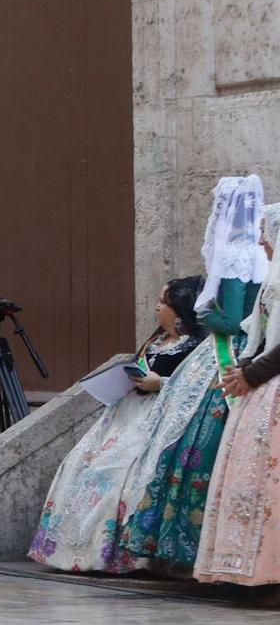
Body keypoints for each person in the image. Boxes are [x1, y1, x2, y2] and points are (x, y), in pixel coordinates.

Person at [29, 277, 206, 572]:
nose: (156, 307)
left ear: (179, 310)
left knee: (120, 473)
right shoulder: (155, 341)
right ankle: (73, 549)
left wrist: (159, 383)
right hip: (124, 416)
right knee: (84, 465)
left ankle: (123, 554)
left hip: (157, 420)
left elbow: (194, 385)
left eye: (163, 303)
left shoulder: (196, 348)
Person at [198, 203, 280, 586]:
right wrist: (238, 369)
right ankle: (256, 572)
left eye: (268, 231)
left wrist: (252, 373)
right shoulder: (272, 279)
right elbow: (258, 331)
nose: (262, 239)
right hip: (262, 386)